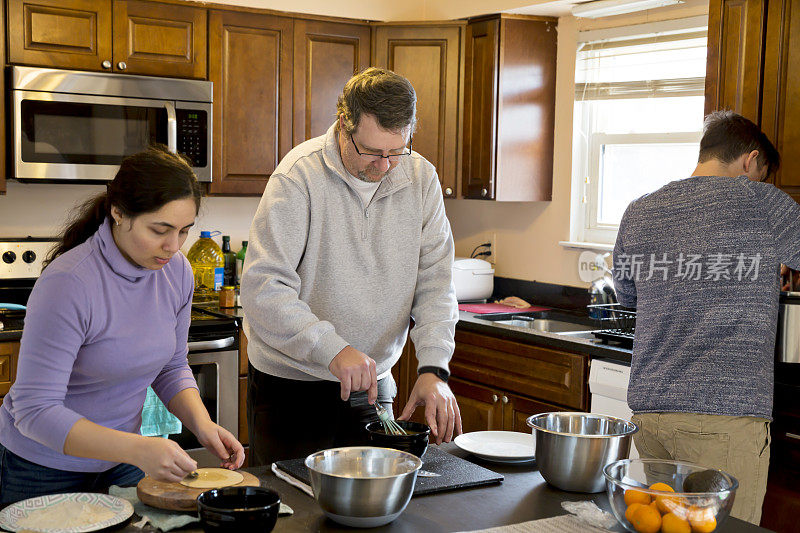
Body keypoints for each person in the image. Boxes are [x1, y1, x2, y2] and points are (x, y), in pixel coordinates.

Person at [0, 146, 245, 505]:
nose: (172, 246)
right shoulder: (69, 283)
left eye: (183, 231)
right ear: (118, 212)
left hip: (120, 462)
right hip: (42, 469)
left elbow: (172, 367)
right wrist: (140, 449)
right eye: (159, 230)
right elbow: (34, 410)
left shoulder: (177, 272)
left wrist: (203, 426)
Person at [241, 67, 462, 465]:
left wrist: (434, 369)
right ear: (344, 125)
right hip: (291, 389)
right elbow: (263, 289)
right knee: (296, 516)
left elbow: (436, 285)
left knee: (377, 512)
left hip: (374, 389)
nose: (384, 166)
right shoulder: (297, 178)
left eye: (397, 151)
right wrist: (333, 348)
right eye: (372, 152)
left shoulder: (421, 179)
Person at [612, 110, 800, 524]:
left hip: (651, 417)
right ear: (749, 161)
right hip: (724, 419)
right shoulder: (763, 202)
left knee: (664, 527)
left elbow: (627, 294)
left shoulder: (640, 209)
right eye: (762, 174)